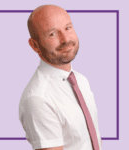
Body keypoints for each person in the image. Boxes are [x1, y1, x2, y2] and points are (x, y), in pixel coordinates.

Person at [19, 4, 102, 150]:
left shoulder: (81, 80)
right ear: (35, 45)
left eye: (68, 28)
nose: (65, 39)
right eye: (52, 34)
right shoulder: (38, 98)